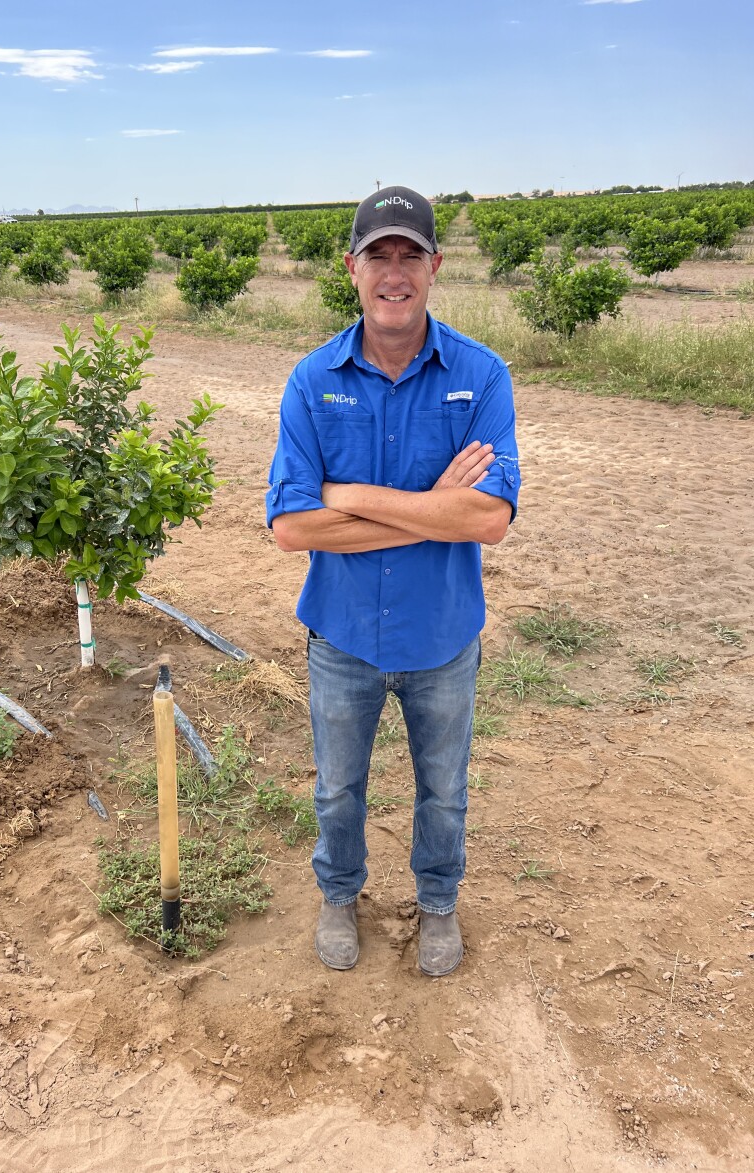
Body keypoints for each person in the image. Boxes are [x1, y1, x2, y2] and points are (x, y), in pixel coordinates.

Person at [266, 186, 521, 976]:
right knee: (339, 788)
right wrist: (434, 505)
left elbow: (489, 520)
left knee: (443, 791)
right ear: (353, 269)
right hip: (342, 633)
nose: (396, 271)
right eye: (380, 254)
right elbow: (291, 527)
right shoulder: (313, 381)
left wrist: (355, 498)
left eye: (412, 254)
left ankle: (438, 905)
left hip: (442, 633)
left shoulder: (481, 376)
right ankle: (340, 893)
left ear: (436, 266)